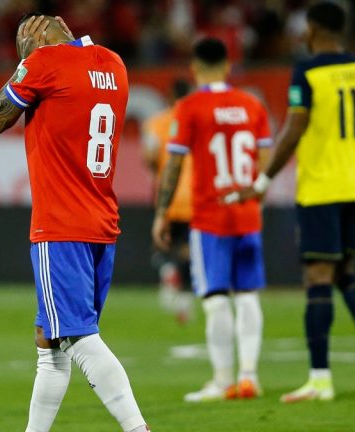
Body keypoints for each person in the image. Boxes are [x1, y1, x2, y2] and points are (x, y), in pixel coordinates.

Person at [0, 13, 150, 432]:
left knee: (77, 337)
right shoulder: (113, 63)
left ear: (37, 40)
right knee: (50, 340)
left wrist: (24, 64)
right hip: (101, 220)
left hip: (60, 224)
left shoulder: (44, 63)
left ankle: (137, 428)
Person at [228, 1, 355, 403]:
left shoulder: (307, 70)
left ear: (315, 29)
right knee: (346, 270)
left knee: (318, 276)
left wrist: (264, 178)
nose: (301, 34)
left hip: (322, 187)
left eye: (305, 27)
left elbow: (295, 127)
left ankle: (320, 379)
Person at [152, 37, 271, 402]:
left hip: (210, 218)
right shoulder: (252, 104)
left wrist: (162, 212)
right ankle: (249, 376)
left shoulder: (190, 106)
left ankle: (222, 380)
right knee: (247, 295)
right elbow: (265, 159)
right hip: (247, 215)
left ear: (195, 67)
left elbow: (173, 163)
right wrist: (257, 196)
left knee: (216, 298)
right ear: (228, 65)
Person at [142, 79, 194, 324]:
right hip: (193, 197)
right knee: (188, 248)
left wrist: (157, 171)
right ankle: (184, 298)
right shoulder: (196, 121)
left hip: (167, 194)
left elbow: (150, 155)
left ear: (171, 95)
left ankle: (167, 271)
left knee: (163, 241)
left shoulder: (157, 122)